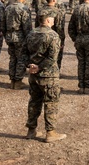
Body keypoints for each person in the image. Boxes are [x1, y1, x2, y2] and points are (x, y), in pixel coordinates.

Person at [25, 11, 65, 143]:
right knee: (51, 103)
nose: (54, 20)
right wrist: (40, 67)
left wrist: (30, 65)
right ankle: (50, 132)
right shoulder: (53, 36)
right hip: (49, 76)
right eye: (52, 18)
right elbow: (52, 58)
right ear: (47, 20)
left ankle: (31, 130)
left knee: (34, 101)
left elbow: (23, 53)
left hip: (33, 75)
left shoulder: (31, 33)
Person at [4, 0, 33, 89]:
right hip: (20, 36)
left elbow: (2, 23)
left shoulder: (7, 8)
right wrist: (29, 39)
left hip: (9, 36)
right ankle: (18, 81)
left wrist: (6, 34)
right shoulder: (24, 9)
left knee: (12, 58)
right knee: (21, 58)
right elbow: (27, 26)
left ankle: (12, 79)